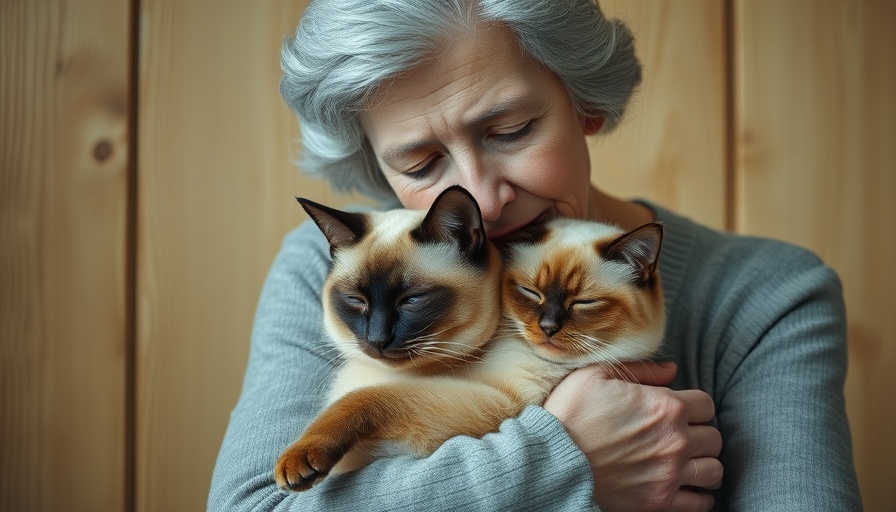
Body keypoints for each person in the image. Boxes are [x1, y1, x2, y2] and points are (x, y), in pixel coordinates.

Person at [208, 0, 862, 510]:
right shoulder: (335, 274)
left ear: (584, 103)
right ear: (376, 171)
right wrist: (564, 462)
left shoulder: (769, 297)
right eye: (420, 161)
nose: (484, 201)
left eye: (511, 130)